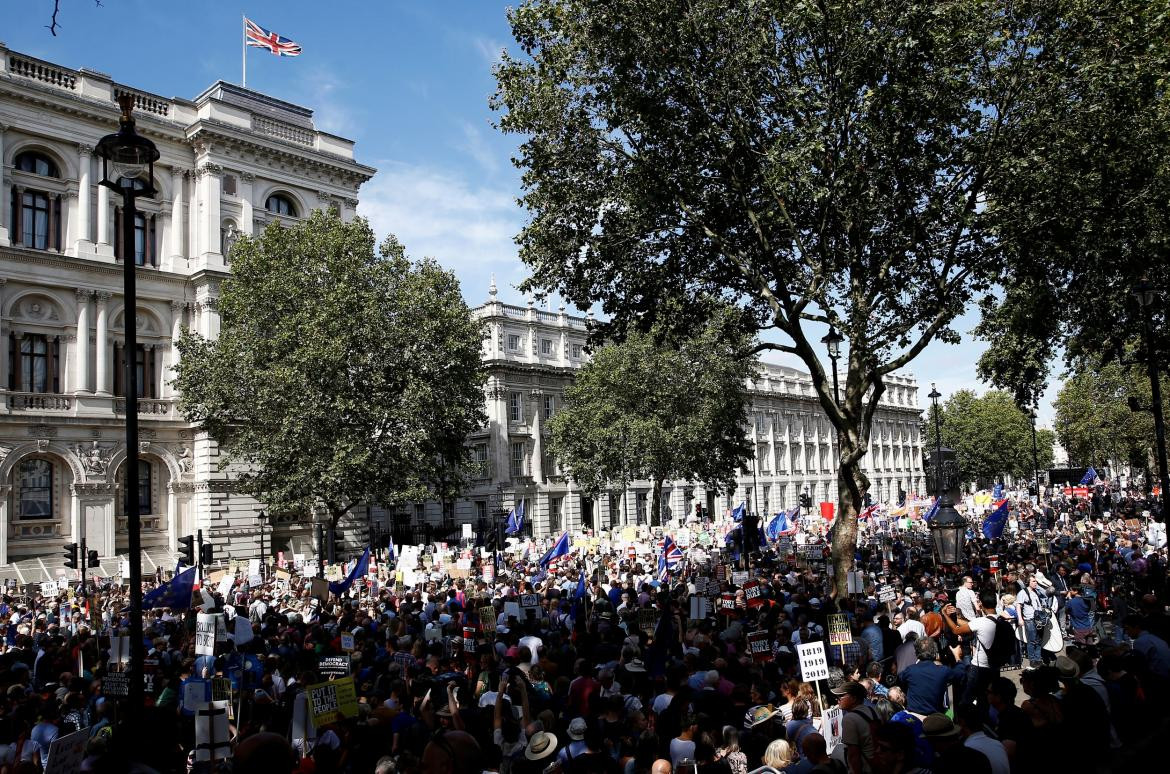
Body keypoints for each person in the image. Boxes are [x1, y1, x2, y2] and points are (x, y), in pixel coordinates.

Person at [939, 590, 999, 714]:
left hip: (979, 667)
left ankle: (967, 724)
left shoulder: (981, 622)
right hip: (995, 666)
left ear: (981, 604)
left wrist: (944, 614)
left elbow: (956, 630)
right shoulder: (1002, 621)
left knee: (966, 699)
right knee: (989, 696)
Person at [896, 638, 956, 717]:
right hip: (934, 717)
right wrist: (957, 657)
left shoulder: (910, 670)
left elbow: (900, 677)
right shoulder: (943, 671)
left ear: (916, 653)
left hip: (914, 717)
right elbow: (960, 673)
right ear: (935, 653)